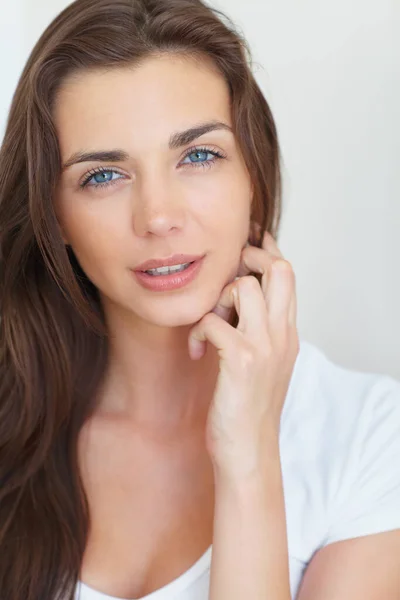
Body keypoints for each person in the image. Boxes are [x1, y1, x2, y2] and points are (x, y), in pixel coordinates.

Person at [0, 0, 399, 598]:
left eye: (199, 155)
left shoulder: (370, 438)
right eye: (104, 175)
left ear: (253, 180)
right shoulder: (14, 416)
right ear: (53, 214)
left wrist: (249, 454)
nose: (159, 217)